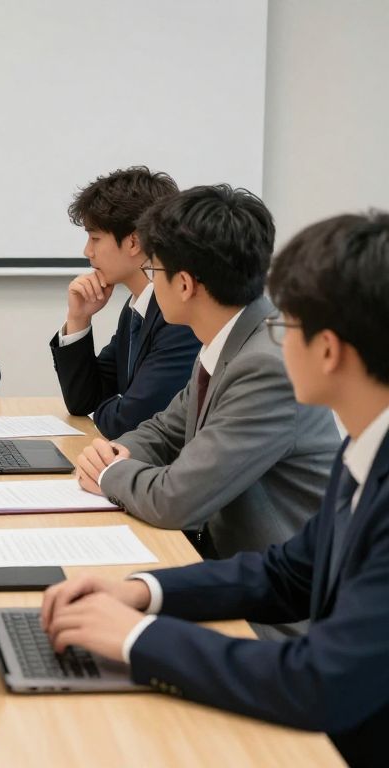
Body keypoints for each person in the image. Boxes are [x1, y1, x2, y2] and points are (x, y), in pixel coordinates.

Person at [40, 211, 389, 768]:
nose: (275, 336)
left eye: (286, 325)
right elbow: (285, 573)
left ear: (328, 349)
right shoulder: (365, 447)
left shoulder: (273, 375)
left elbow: (319, 682)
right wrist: (142, 592)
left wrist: (134, 639)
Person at [75, 185, 340, 559]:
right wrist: (119, 452)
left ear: (184, 285)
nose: (151, 280)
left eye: (154, 270)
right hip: (227, 567)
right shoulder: (230, 338)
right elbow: (166, 430)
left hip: (275, 601)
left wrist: (107, 474)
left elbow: (176, 499)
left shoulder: (268, 365)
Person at [50, 167, 200, 438]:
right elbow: (83, 401)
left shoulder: (178, 317)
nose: (87, 251)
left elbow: (131, 421)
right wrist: (78, 320)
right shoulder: (136, 310)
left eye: (95, 238)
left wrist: (118, 406)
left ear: (135, 242)